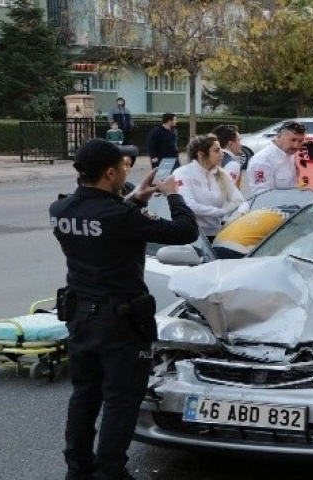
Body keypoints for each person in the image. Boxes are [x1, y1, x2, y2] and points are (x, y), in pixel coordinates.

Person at [50, 139, 199, 480]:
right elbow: (184, 231)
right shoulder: (123, 216)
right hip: (120, 324)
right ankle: (111, 471)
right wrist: (173, 193)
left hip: (80, 320)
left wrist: (136, 198)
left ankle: (78, 469)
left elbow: (102, 220)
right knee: (121, 399)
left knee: (84, 396)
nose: (128, 172)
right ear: (111, 172)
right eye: (125, 168)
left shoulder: (60, 211)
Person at [174, 134, 248, 241]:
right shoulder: (182, 173)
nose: (222, 154)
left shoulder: (221, 174)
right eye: (216, 151)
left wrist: (239, 214)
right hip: (192, 237)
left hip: (218, 234)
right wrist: (223, 212)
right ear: (200, 154)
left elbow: (240, 201)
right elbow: (189, 205)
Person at [247, 120, 307, 195]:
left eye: (300, 141)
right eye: (293, 140)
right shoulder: (262, 161)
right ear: (278, 136)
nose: (296, 145)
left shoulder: (291, 154)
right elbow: (263, 196)